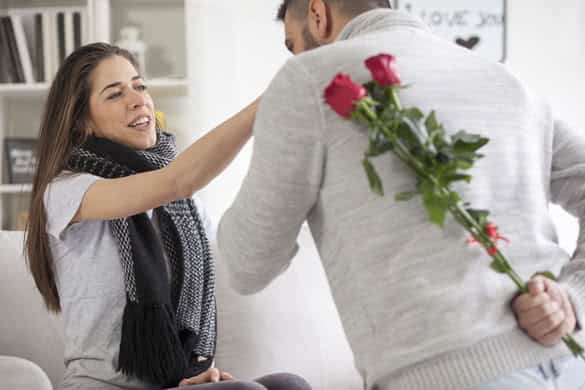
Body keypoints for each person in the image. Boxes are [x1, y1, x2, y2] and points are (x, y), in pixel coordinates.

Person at [217, 1, 585, 389]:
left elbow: (246, 264)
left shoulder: (309, 78)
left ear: (318, 14)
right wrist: (573, 295)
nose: (294, 56)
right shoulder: (500, 78)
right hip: (571, 359)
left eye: (292, 44)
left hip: (452, 378)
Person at [24, 42, 312, 390]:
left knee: (289, 385)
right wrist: (272, 99)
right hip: (101, 386)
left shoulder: (183, 208)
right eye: (115, 94)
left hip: (172, 385)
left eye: (140, 86)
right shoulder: (67, 191)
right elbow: (178, 180)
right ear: (83, 120)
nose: (138, 99)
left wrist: (194, 377)